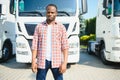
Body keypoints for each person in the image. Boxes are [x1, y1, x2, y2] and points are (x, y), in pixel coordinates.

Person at [31, 4, 69, 80]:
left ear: (56, 13)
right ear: (46, 13)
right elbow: (34, 45)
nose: (50, 14)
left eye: (52, 12)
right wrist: (33, 61)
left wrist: (65, 63)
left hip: (57, 61)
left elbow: (65, 46)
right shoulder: (39, 26)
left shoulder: (61, 27)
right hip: (42, 61)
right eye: (48, 12)